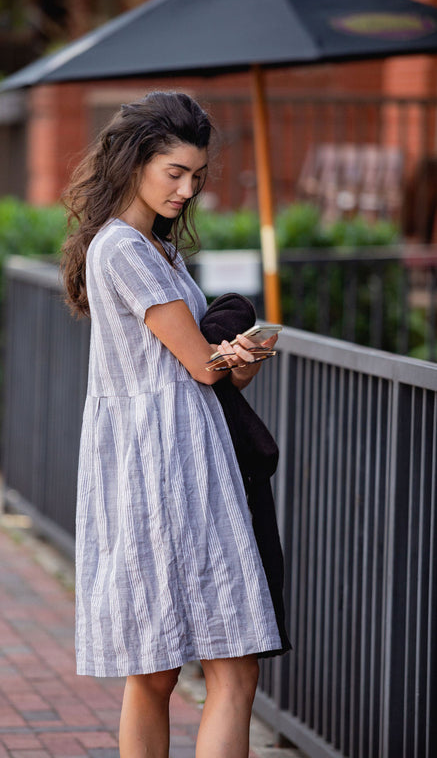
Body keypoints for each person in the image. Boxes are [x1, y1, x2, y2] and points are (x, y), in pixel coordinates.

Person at [62, 91, 284, 758]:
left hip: (166, 455)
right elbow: (196, 364)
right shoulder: (124, 249)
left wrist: (240, 360)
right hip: (169, 465)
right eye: (174, 173)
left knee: (156, 669)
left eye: (197, 175)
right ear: (134, 164)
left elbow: (208, 371)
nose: (187, 189)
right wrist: (223, 357)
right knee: (230, 665)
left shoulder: (155, 250)